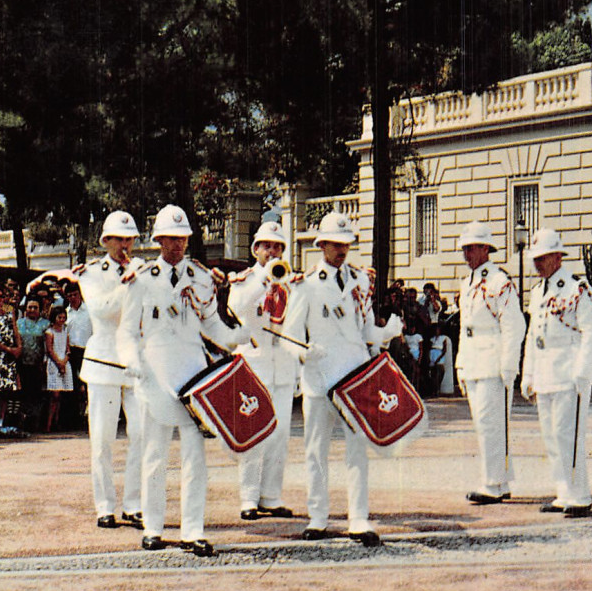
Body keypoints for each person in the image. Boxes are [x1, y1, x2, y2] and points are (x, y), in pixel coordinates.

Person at [117, 204, 247, 556]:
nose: (177, 245)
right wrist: (132, 362)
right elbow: (127, 331)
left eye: (182, 238)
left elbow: (211, 325)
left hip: (194, 377)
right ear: (158, 240)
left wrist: (238, 336)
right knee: (154, 455)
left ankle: (193, 530)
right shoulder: (141, 278)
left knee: (195, 457)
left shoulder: (202, 277)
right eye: (170, 239)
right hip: (155, 374)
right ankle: (154, 528)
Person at [279, 210, 401, 545]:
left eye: (346, 243)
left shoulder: (361, 281)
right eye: (334, 243)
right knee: (315, 450)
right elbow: (288, 337)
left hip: (355, 378)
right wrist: (304, 353)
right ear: (321, 245)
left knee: (356, 449)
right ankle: (317, 516)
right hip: (319, 379)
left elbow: (364, 331)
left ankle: (358, 517)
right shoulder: (304, 285)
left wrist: (386, 332)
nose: (341, 250)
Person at [75, 210, 148, 531]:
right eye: (119, 238)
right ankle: (104, 506)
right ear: (106, 241)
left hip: (135, 363)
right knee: (103, 440)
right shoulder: (91, 273)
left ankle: (134, 504)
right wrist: (128, 283)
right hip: (104, 363)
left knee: (142, 437)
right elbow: (102, 311)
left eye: (130, 238)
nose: (125, 244)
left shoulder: (144, 271)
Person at [520, 229, 592, 517]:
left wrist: (581, 368)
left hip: (570, 372)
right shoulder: (537, 290)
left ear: (557, 257)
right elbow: (533, 335)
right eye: (535, 259)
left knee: (570, 435)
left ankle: (580, 495)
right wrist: (527, 375)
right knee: (552, 436)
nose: (537, 264)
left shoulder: (576, 288)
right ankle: (564, 492)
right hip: (544, 371)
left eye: (542, 258)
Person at [228, 221, 299, 522]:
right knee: (255, 431)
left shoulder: (293, 282)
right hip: (255, 363)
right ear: (255, 249)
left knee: (279, 434)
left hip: (282, 364)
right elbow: (236, 307)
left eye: (278, 246)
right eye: (267, 245)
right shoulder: (245, 279)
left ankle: (271, 495)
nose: (272, 251)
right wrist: (264, 280)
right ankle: (248, 497)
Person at [455, 221, 525, 506]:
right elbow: (464, 327)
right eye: (465, 248)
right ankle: (501, 479)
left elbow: (513, 326)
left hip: (493, 360)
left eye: (472, 248)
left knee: (492, 424)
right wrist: (460, 363)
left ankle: (492, 484)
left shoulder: (499, 282)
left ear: (486, 248)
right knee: (484, 423)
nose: (467, 254)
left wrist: (509, 365)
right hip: (473, 359)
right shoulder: (467, 282)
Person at [16, 295, 50, 432]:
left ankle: (34, 425)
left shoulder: (45, 324)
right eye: (30, 307)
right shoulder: (18, 323)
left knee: (36, 395)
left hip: (38, 365)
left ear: (40, 309)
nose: (32, 310)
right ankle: (20, 424)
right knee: (22, 394)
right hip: (21, 364)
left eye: (35, 307)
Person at [0, 286, 23, 432]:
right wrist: (8, 349)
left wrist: (18, 347)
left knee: (5, 390)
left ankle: (1, 421)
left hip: (8, 357)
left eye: (0, 296)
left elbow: (15, 329)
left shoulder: (8, 309)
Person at [63, 280, 91, 427]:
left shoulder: (89, 311)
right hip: (71, 352)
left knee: (88, 386)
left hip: (87, 350)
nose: (73, 297)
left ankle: (90, 418)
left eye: (75, 294)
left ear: (80, 294)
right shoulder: (66, 313)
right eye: (69, 295)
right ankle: (74, 419)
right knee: (72, 385)